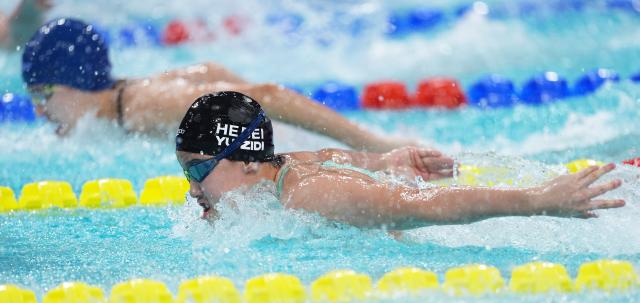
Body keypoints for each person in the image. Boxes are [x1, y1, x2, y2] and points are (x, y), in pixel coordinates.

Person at [176, 91, 626, 228]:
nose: (192, 186)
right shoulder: (279, 168)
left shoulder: (312, 194)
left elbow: (420, 206)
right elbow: (330, 153)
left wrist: (535, 200)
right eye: (186, 171)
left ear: (249, 161)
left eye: (198, 169)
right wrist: (384, 159)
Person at [22, 17, 415, 152]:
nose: (39, 111)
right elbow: (207, 69)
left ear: (74, 82)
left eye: (44, 95)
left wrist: (370, 143)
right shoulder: (127, 98)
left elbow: (267, 95)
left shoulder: (144, 107)